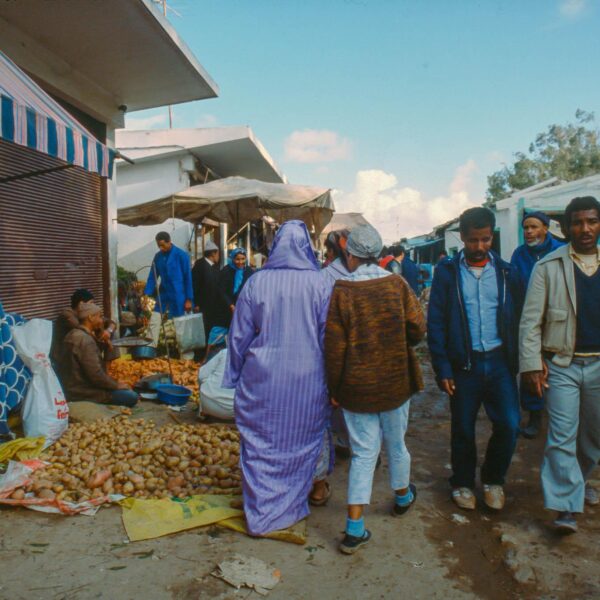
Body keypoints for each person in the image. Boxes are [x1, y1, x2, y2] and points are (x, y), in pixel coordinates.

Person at [223, 221, 332, 535]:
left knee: (262, 444)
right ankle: (291, 504)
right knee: (299, 442)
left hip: (263, 379)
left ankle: (260, 511)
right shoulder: (320, 284)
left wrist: (232, 375)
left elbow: (238, 336)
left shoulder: (257, 283)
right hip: (308, 380)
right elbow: (328, 338)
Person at [325, 224, 426, 555]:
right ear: (378, 253)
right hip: (395, 383)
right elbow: (417, 328)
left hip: (356, 388)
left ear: (350, 255)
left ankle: (354, 528)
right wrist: (398, 343)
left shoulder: (342, 290)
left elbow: (334, 347)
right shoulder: (396, 284)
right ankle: (402, 497)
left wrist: (334, 388)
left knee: (364, 453)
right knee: (396, 443)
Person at [428, 207, 521, 512]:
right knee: (463, 428)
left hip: (499, 363)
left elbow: (518, 318)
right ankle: (463, 483)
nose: (479, 247)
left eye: (484, 240)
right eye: (472, 241)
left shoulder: (507, 273)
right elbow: (437, 323)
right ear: (462, 238)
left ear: (491, 236)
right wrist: (443, 367)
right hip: (464, 366)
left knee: (509, 424)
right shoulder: (447, 273)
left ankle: (494, 479)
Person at [520, 196, 600, 534]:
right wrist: (532, 366)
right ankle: (566, 506)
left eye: (592, 221)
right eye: (578, 222)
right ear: (565, 228)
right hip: (562, 365)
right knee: (561, 437)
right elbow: (530, 322)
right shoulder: (548, 266)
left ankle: (576, 483)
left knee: (593, 438)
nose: (585, 228)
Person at [510, 211, 564, 439]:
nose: (529, 232)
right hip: (528, 318)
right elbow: (513, 287)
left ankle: (561, 415)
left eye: (533, 227)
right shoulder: (519, 254)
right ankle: (534, 415)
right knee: (530, 367)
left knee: (558, 368)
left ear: (546, 228)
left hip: (556, 319)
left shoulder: (561, 250)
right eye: (525, 228)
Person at [62, 303, 138, 407]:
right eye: (99, 316)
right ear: (90, 318)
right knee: (131, 396)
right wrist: (116, 386)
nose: (101, 320)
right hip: (82, 392)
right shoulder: (85, 340)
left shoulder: (72, 334)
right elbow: (96, 375)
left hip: (72, 388)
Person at [51, 289, 116, 381]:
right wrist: (102, 334)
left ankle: (106, 371)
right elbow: (83, 328)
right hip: (64, 359)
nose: (93, 306)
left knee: (109, 337)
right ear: (81, 304)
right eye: (91, 303)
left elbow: (112, 323)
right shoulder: (67, 314)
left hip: (79, 352)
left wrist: (108, 331)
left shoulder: (89, 314)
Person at [144, 231, 193, 318]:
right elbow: (152, 277)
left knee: (178, 325)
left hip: (179, 295)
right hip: (163, 294)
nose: (161, 248)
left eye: (163, 245)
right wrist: (147, 294)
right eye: (159, 246)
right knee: (155, 320)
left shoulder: (182, 255)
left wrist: (189, 299)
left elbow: (188, 278)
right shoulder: (157, 257)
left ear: (169, 241)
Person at [212, 248, 253, 334]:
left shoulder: (249, 271)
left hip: (243, 308)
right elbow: (221, 291)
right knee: (222, 333)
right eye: (237, 259)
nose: (240, 262)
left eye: (243, 259)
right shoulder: (226, 271)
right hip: (225, 308)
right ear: (233, 259)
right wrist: (231, 305)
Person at [192, 240, 221, 339]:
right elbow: (194, 284)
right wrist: (195, 303)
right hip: (202, 305)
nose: (218, 256)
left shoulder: (215, 266)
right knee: (202, 330)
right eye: (218, 254)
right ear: (213, 253)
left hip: (212, 305)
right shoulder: (200, 265)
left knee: (210, 329)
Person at [198, 346, 235, 420]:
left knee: (203, 376)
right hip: (236, 412)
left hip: (209, 404)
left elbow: (201, 376)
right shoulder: (255, 358)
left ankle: (203, 413)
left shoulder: (225, 353)